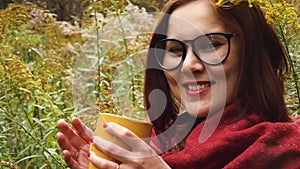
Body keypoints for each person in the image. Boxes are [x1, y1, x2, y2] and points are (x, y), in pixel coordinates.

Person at [56, 0, 300, 168]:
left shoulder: (285, 151)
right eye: (174, 49)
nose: (188, 66)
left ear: (253, 51)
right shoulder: (157, 144)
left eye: (212, 44)